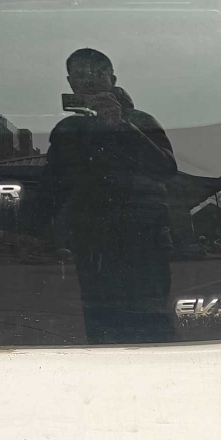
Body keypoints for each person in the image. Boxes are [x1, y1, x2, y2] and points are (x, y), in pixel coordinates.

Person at [33, 49, 179, 344]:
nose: (88, 81)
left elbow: (166, 168)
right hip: (92, 245)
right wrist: (26, 229)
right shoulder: (67, 129)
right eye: (80, 75)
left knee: (152, 329)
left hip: (144, 242)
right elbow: (53, 189)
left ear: (112, 79)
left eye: (97, 74)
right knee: (101, 329)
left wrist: (121, 126)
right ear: (70, 83)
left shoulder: (140, 120)